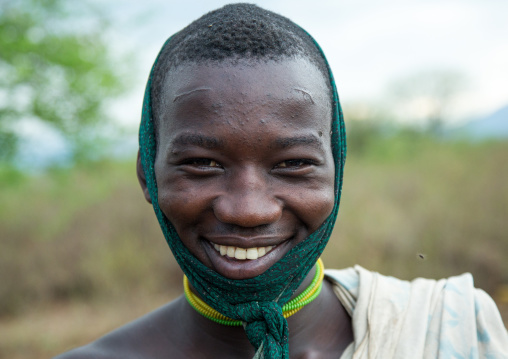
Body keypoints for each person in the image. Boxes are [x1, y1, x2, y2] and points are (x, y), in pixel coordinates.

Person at [55, 4, 508, 358]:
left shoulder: (455, 331)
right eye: (202, 164)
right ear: (147, 176)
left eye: (292, 164)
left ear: (337, 168)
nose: (249, 210)